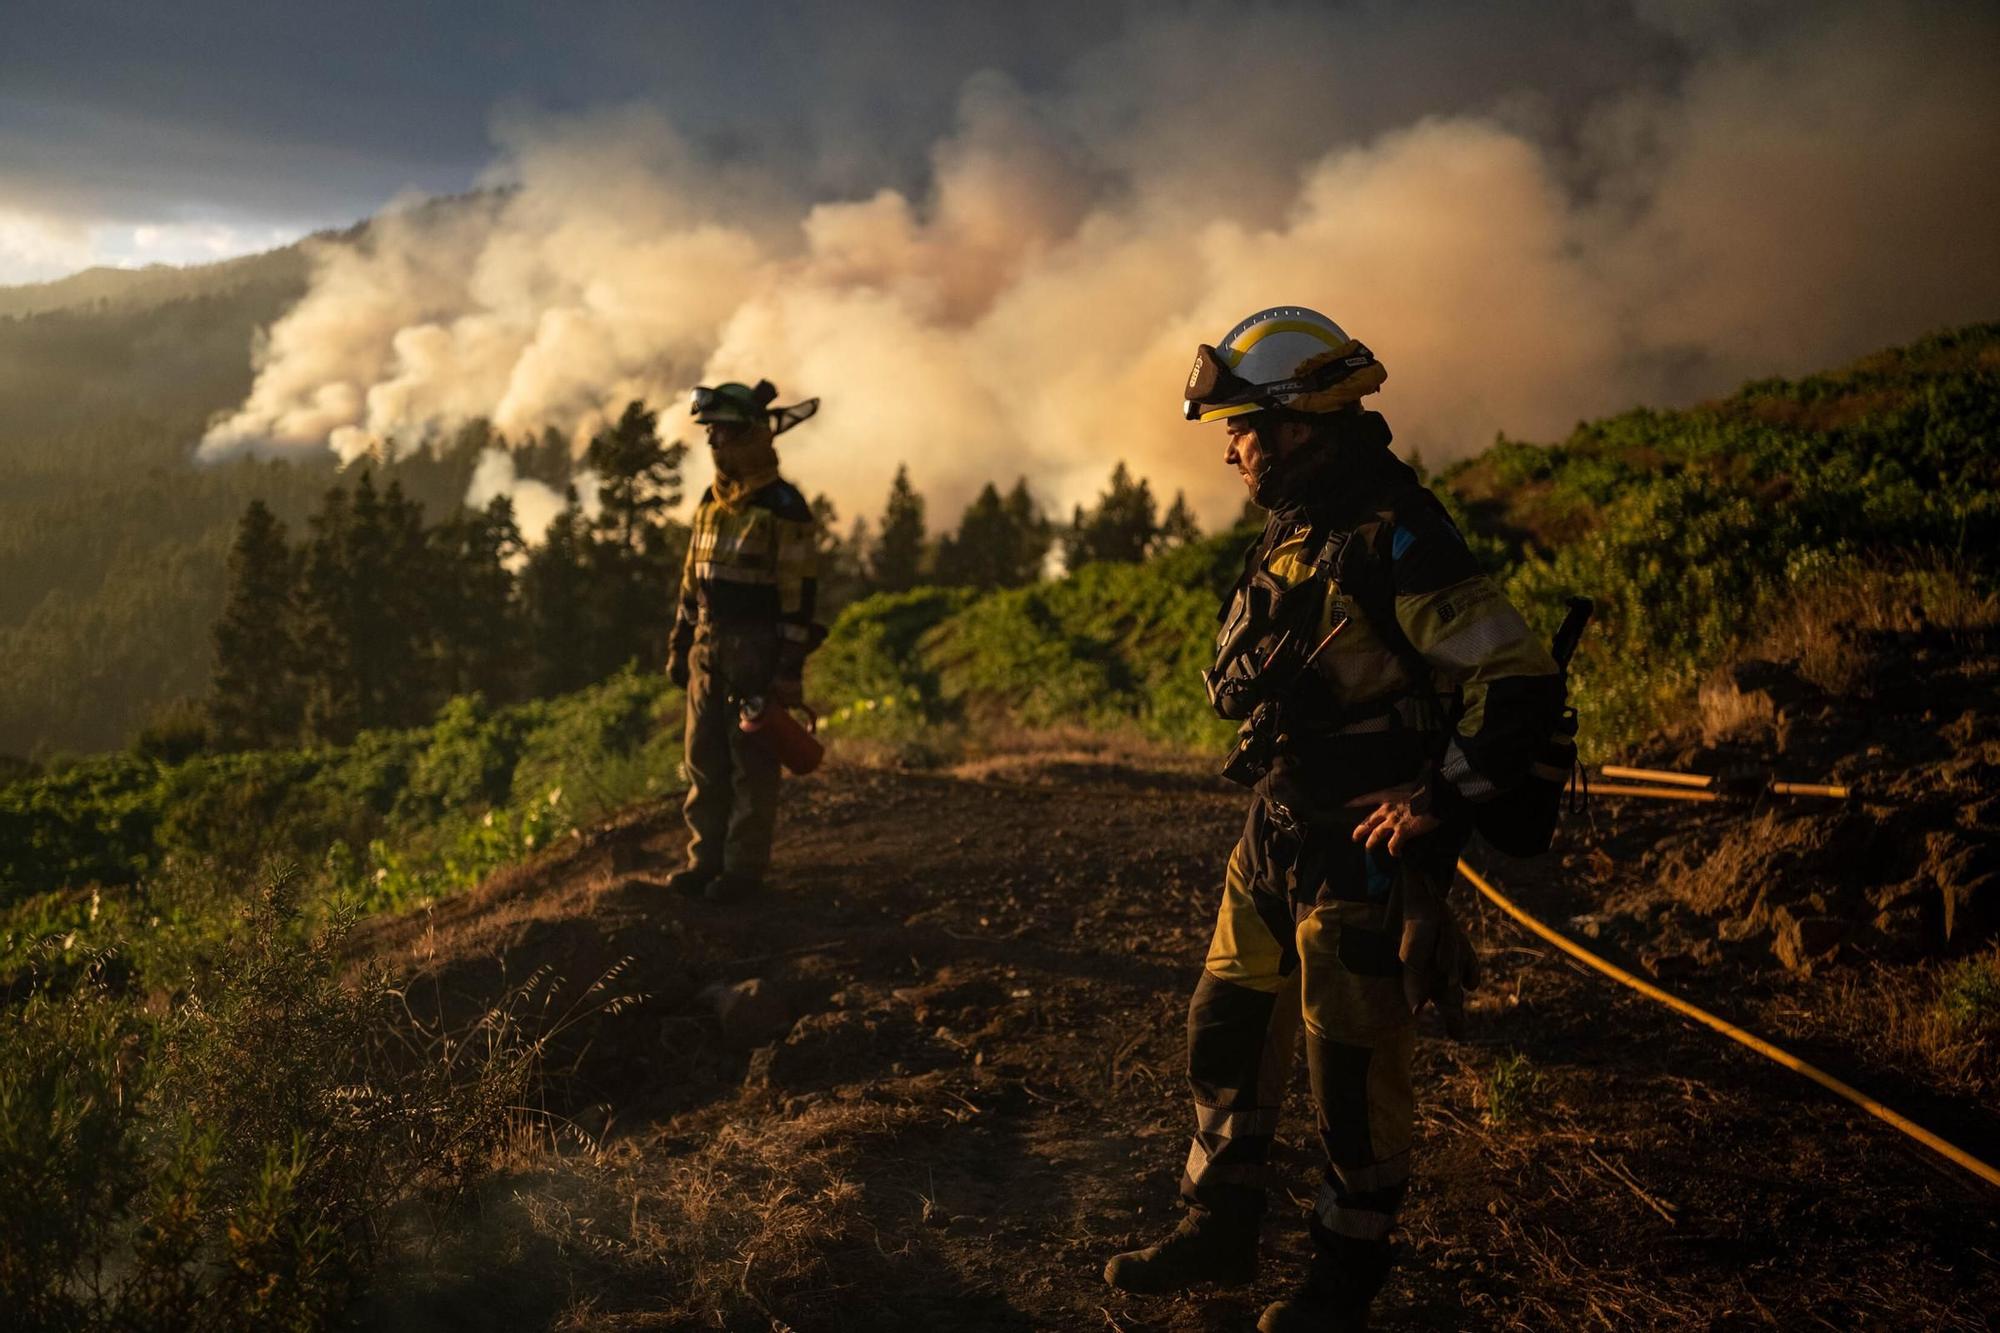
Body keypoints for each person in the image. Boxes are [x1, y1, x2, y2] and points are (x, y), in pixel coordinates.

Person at [1103, 307, 1564, 1331]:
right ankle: (1216, 1228)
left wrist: (1434, 798)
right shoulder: (1297, 528)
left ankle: (1340, 1280)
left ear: (1299, 423)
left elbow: (1512, 676)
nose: (1229, 450)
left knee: (1348, 1072)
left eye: (1241, 429)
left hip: (1354, 857)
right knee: (1222, 1027)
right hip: (1270, 831)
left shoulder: (1401, 535)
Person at [665, 379, 822, 902]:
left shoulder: (784, 508)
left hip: (756, 650)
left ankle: (741, 874)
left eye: (724, 433)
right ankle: (702, 863)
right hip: (707, 648)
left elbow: (799, 598)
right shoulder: (711, 503)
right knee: (702, 759)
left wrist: (787, 671)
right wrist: (680, 640)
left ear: (753, 435)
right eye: (710, 433)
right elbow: (692, 578)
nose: (714, 444)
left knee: (750, 767)